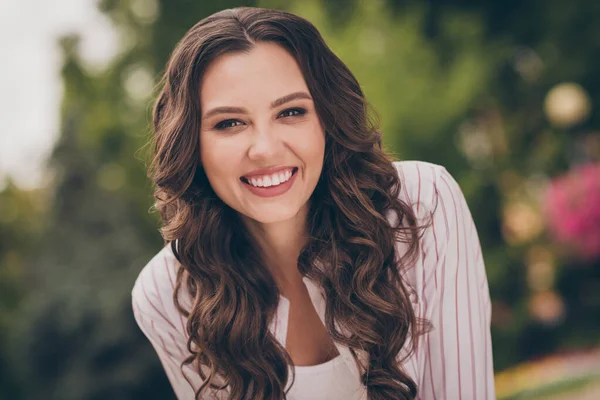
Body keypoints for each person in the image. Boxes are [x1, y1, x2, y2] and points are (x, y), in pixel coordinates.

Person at [131, 6, 495, 400]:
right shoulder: (167, 292)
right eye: (229, 123)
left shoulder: (422, 202)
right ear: (190, 145)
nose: (265, 149)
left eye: (291, 112)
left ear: (327, 119)